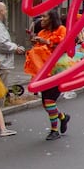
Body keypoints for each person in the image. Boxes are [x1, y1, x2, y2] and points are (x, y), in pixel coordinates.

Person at [27, 10, 71, 141]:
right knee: (46, 104)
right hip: (44, 72)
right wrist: (34, 41)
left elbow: (64, 45)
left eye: (44, 16)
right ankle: (63, 117)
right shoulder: (42, 32)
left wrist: (46, 42)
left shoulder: (62, 29)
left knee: (49, 101)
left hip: (58, 70)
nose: (42, 18)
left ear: (52, 18)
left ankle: (54, 130)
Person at [0, 2, 27, 99]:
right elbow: (2, 43)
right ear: (1, 11)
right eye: (5, 10)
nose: (6, 12)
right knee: (0, 90)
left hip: (0, 61)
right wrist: (15, 47)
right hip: (1, 61)